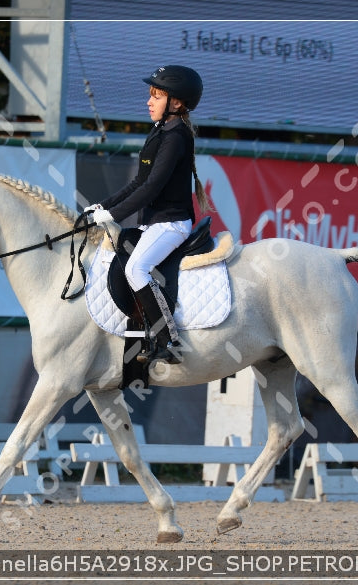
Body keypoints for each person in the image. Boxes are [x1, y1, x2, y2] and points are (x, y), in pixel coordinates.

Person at [86, 65, 210, 366]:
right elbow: (138, 182)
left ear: (177, 103)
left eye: (156, 96)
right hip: (153, 223)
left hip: (171, 224)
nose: (149, 101)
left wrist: (114, 215)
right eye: (150, 95)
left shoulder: (177, 136)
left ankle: (169, 340)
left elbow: (153, 188)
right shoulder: (159, 131)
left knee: (136, 270)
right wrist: (103, 206)